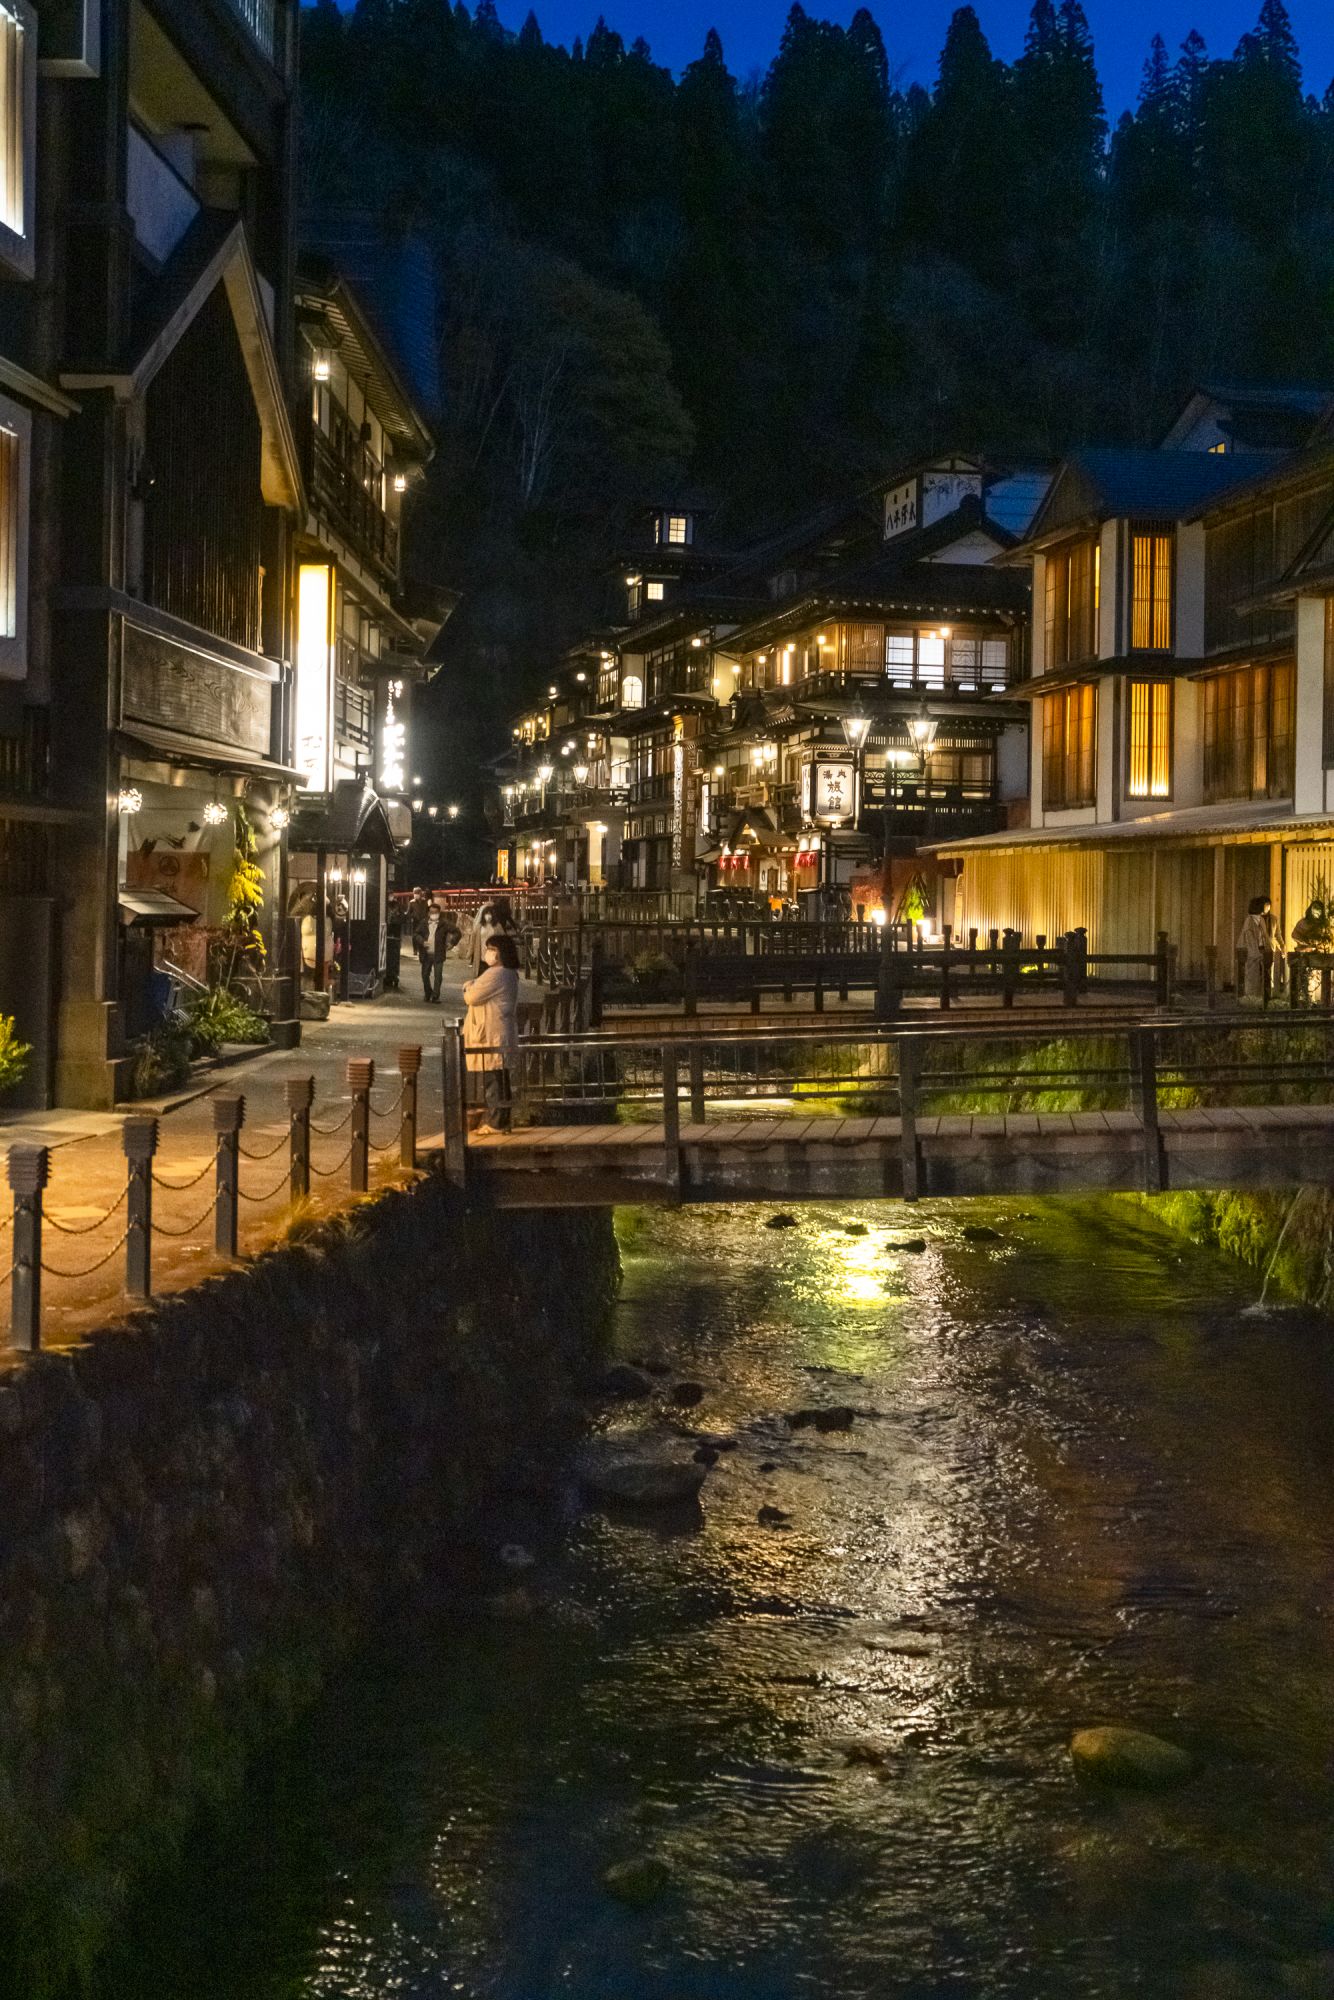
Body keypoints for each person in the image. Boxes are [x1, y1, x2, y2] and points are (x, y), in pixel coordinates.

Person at [462, 932, 520, 1133]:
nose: (489, 953)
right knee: (500, 1077)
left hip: (490, 1032)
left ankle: (496, 1122)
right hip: (499, 1030)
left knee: (493, 1079)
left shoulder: (496, 974)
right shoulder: (510, 973)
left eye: (492, 949)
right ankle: (501, 1119)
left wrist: (468, 986)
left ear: (501, 953)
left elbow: (472, 996)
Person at [1238, 894, 1283, 1002]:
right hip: (1251, 952)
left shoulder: (1261, 920)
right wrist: (1257, 954)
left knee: (1263, 975)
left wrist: (1270, 949)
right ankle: (1251, 998)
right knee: (1252, 975)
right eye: (1266, 905)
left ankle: (1262, 998)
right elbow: (1250, 940)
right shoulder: (1250, 921)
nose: (1268, 907)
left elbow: (1266, 937)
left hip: (1262, 950)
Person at [427, 899, 461, 1001]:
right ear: (429, 913)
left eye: (436, 912)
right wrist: (421, 942)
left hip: (439, 952)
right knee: (425, 975)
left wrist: (452, 943)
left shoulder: (444, 923)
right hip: (427, 953)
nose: (434, 914)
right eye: (432, 912)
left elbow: (457, 932)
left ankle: (435, 995)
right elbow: (417, 934)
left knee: (438, 975)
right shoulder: (424, 922)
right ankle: (428, 992)